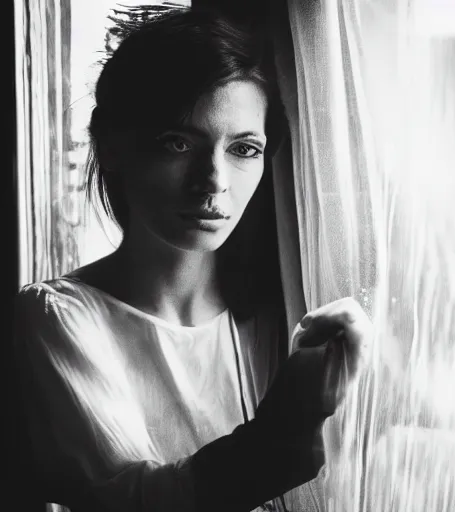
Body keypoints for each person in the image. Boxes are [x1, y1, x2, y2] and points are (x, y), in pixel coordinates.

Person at [13, 4, 372, 512]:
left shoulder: (285, 314)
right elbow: (137, 502)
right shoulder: (55, 319)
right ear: (109, 144)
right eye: (178, 142)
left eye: (243, 149)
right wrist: (284, 431)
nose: (215, 182)